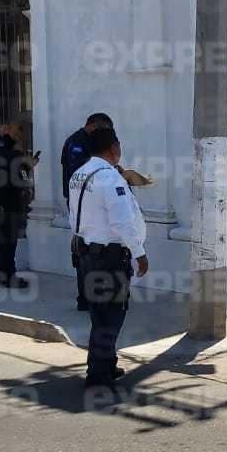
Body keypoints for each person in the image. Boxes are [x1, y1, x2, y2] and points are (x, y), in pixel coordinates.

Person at [67, 128, 147, 390]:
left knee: (99, 313)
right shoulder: (110, 178)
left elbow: (73, 215)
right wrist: (140, 253)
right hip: (110, 258)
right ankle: (98, 374)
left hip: (87, 253)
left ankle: (107, 363)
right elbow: (122, 222)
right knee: (112, 315)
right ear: (114, 147)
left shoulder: (79, 174)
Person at [61, 113, 115, 311]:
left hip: (89, 200)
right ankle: (85, 297)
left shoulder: (87, 142)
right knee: (84, 246)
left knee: (94, 246)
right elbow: (81, 173)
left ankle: (94, 294)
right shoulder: (76, 143)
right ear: (93, 126)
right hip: (81, 201)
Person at [0, 115, 38, 288]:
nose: (17, 139)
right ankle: (9, 277)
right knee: (8, 239)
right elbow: (3, 162)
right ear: (6, 128)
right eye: (16, 134)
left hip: (8, 198)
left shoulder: (4, 146)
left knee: (3, 239)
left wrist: (27, 164)